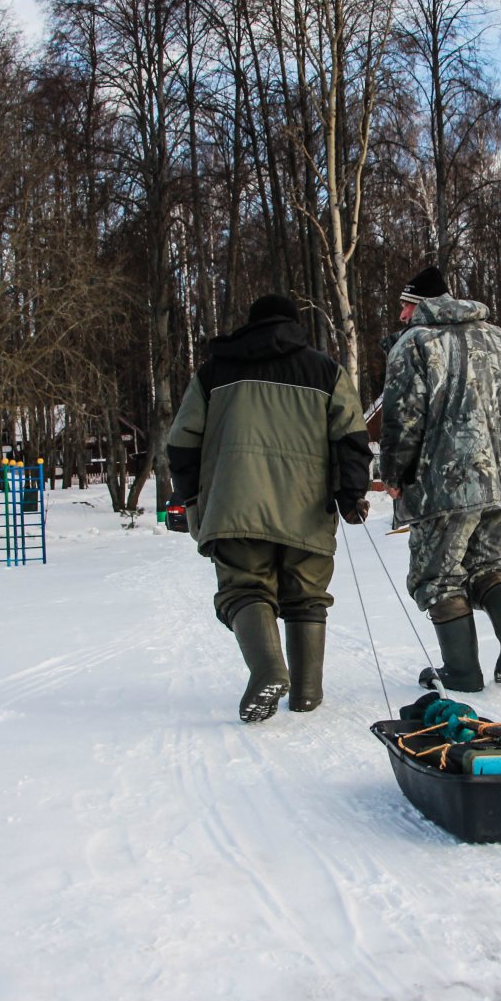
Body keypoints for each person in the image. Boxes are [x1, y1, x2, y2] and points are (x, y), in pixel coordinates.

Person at [164, 294, 372, 722]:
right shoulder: (325, 370)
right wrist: (351, 495)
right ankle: (307, 694)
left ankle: (268, 669)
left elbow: (182, 442)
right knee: (308, 596)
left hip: (233, 502)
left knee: (244, 587)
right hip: (308, 507)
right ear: (295, 324)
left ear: (251, 323)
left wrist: (191, 497)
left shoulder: (214, 372)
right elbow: (351, 438)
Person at [377, 266, 501, 692]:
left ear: (420, 304)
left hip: (447, 483)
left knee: (437, 575)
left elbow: (403, 416)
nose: (401, 315)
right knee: (486, 563)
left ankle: (462, 672)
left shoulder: (415, 344)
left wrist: (394, 472)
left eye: (404, 305)